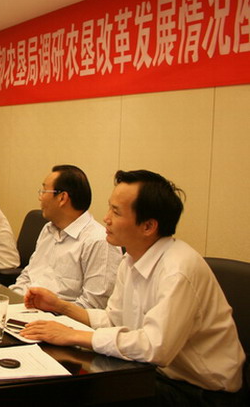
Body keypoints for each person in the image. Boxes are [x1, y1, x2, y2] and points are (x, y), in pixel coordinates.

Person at [21, 170, 246, 405]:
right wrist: (61, 307)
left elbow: (155, 347)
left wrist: (74, 335)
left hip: (202, 392)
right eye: (109, 208)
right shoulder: (130, 260)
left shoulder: (178, 269)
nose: (106, 218)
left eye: (116, 212)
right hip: (153, 373)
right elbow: (114, 320)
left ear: (148, 226)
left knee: (80, 392)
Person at [10, 165, 122, 309]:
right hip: (24, 310)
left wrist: (54, 308)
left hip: (59, 317)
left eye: (44, 191)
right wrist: (12, 301)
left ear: (62, 198)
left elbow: (94, 305)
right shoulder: (48, 229)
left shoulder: (98, 241)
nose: (40, 197)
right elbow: (28, 275)